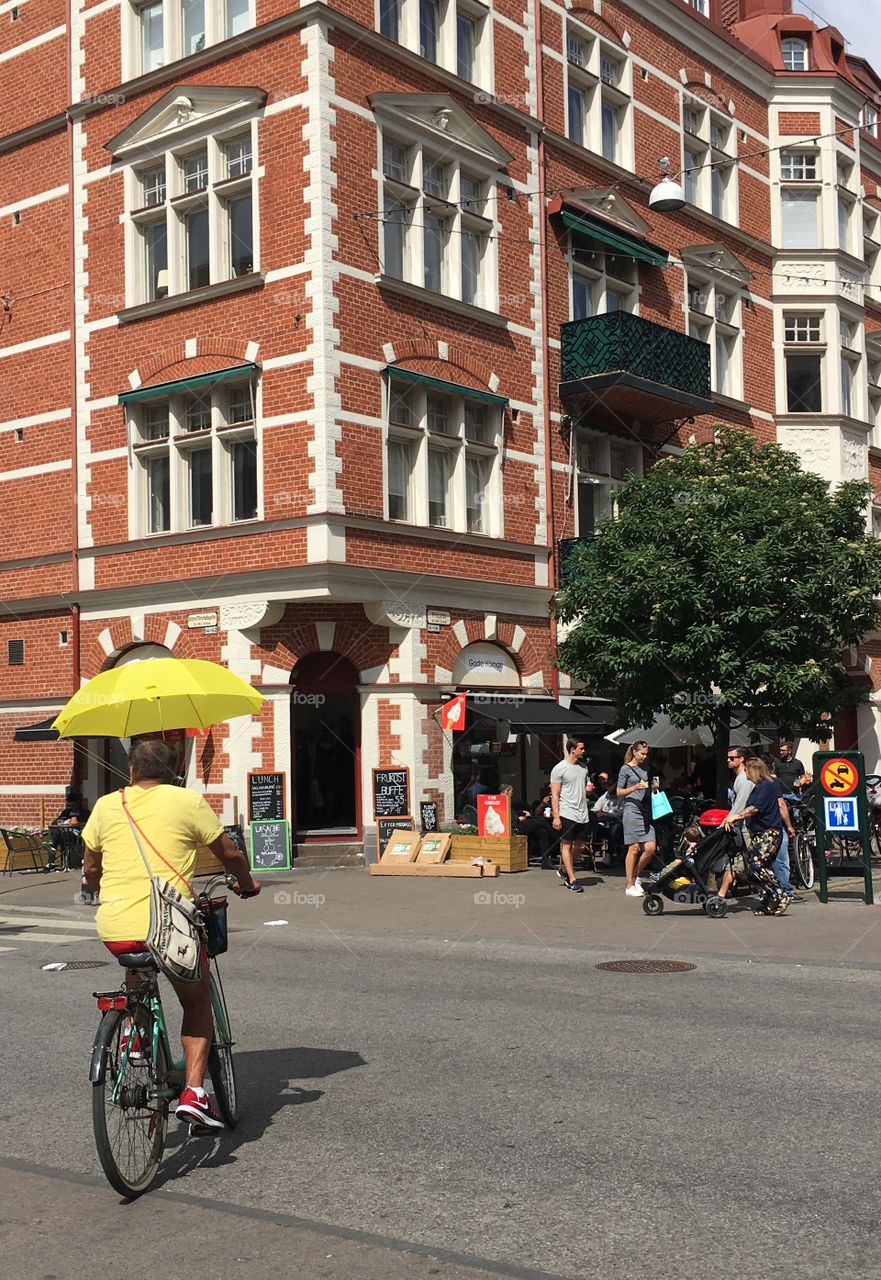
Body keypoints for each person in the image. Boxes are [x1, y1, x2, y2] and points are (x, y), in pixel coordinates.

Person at [82, 740, 262, 1130]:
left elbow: (91, 869)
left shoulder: (106, 805)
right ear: (174, 771)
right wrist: (247, 883)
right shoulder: (187, 801)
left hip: (115, 927)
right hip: (168, 926)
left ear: (130, 771)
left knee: (138, 972)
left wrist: (104, 895)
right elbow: (229, 853)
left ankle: (132, 1037)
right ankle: (195, 1093)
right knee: (197, 1004)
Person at [722, 757, 791, 916]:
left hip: (769, 832)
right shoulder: (761, 786)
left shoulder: (766, 786)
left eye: (747, 769)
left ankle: (780, 894)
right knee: (757, 867)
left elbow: (754, 808)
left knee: (757, 863)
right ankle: (769, 900)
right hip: (760, 831)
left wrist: (736, 817)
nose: (745, 772)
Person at [550, 737, 590, 892]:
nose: (583, 751)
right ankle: (572, 879)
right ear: (573, 749)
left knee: (581, 845)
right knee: (566, 845)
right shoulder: (559, 769)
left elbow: (582, 787)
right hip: (567, 811)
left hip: (583, 812)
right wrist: (556, 816)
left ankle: (565, 869)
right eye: (581, 748)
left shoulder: (583, 767)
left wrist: (588, 790)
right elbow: (555, 794)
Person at [617, 741, 657, 898]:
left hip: (645, 810)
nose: (645, 756)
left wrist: (654, 787)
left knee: (650, 848)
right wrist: (633, 788)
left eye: (647, 754)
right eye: (642, 753)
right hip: (632, 809)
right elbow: (619, 791)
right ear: (634, 752)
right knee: (633, 849)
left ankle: (635, 876)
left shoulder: (648, 768)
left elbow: (653, 785)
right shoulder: (625, 769)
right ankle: (629, 885)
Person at [46, 787, 91, 871]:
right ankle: (50, 861)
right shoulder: (66, 812)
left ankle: (51, 845)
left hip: (76, 834)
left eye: (73, 805)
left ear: (78, 803)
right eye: (69, 805)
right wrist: (62, 821)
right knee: (55, 830)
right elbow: (55, 822)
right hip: (64, 833)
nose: (71, 807)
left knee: (59, 835)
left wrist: (76, 823)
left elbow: (88, 824)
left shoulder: (85, 813)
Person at [591, 780, 624, 866]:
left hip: (616, 823)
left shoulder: (622, 798)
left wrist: (606, 814)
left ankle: (609, 855)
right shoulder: (605, 796)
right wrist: (598, 813)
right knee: (595, 828)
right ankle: (590, 854)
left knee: (615, 829)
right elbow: (595, 809)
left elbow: (620, 814)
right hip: (604, 823)